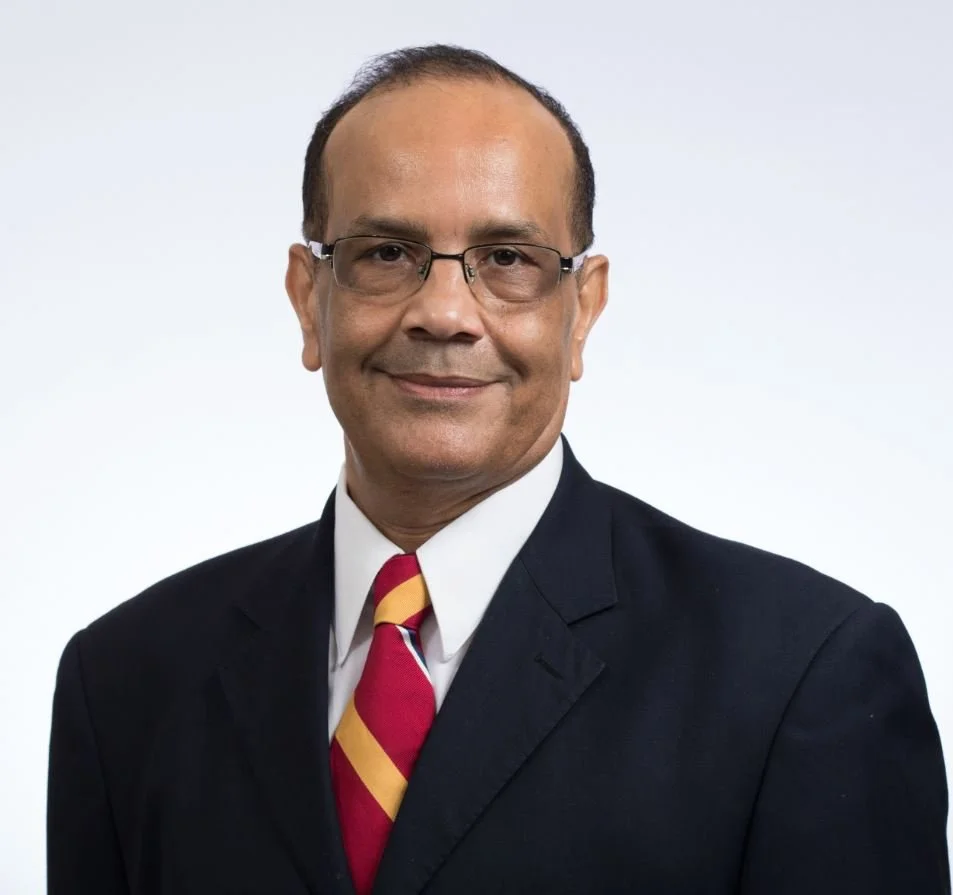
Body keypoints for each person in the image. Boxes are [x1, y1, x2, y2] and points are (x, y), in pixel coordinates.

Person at [47, 44, 950, 895]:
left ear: (582, 309)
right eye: (386, 253)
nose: (444, 312)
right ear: (306, 296)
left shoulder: (802, 673)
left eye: (507, 259)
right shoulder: (125, 678)